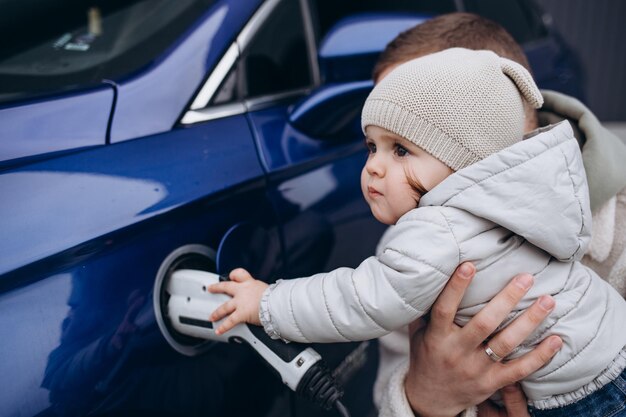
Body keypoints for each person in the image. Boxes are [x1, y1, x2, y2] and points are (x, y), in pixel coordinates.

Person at [208, 46, 626, 417]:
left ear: (466, 161)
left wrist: (266, 302)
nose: (373, 165)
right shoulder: (518, 206)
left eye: (402, 149)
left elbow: (360, 300)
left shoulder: (439, 226)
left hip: (580, 397)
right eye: (372, 146)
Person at [370, 13, 626, 417]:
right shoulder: (410, 243)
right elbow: (387, 388)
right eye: (378, 140)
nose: (381, 168)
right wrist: (424, 397)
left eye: (409, 142)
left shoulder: (620, 229)